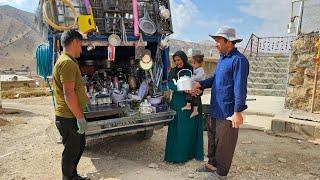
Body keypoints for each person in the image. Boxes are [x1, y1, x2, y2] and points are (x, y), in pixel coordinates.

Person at [194, 26, 249, 179]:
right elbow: (215, 79)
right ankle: (211, 165)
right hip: (215, 107)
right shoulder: (223, 59)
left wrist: (238, 112)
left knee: (225, 143)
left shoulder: (239, 60)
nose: (215, 44)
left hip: (228, 111)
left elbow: (240, 87)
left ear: (229, 42)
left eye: (218, 41)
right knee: (212, 137)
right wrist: (201, 84)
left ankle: (220, 174)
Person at [53, 30, 90, 180]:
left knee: (78, 147)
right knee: (71, 151)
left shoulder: (67, 61)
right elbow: (68, 94)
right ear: (74, 42)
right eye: (80, 45)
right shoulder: (67, 62)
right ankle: (68, 177)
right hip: (69, 117)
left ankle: (73, 176)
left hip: (71, 115)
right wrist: (80, 117)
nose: (81, 49)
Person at [164, 51, 204, 163]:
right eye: (175, 60)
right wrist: (182, 88)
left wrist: (196, 91)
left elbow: (200, 83)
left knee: (187, 130)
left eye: (179, 60)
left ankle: (187, 155)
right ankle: (175, 155)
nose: (177, 62)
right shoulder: (173, 71)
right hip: (178, 102)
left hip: (191, 102)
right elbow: (170, 84)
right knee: (176, 129)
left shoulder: (192, 69)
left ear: (184, 59)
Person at [181, 54, 205, 118]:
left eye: (194, 63)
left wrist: (191, 78)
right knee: (191, 94)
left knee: (195, 97)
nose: (193, 65)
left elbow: (198, 77)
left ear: (200, 63)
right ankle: (189, 106)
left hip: (199, 85)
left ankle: (195, 110)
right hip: (195, 84)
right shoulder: (195, 68)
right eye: (192, 63)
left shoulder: (201, 70)